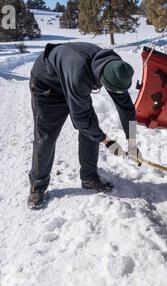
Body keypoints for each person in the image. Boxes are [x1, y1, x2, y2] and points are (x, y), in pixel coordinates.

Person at [28, 42, 142, 210]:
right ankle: (37, 186)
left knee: (91, 130)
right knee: (46, 137)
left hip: (72, 77)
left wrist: (131, 142)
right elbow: (81, 120)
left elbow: (126, 108)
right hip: (48, 87)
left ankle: (89, 178)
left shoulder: (117, 69)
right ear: (102, 79)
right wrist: (108, 142)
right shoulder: (79, 75)